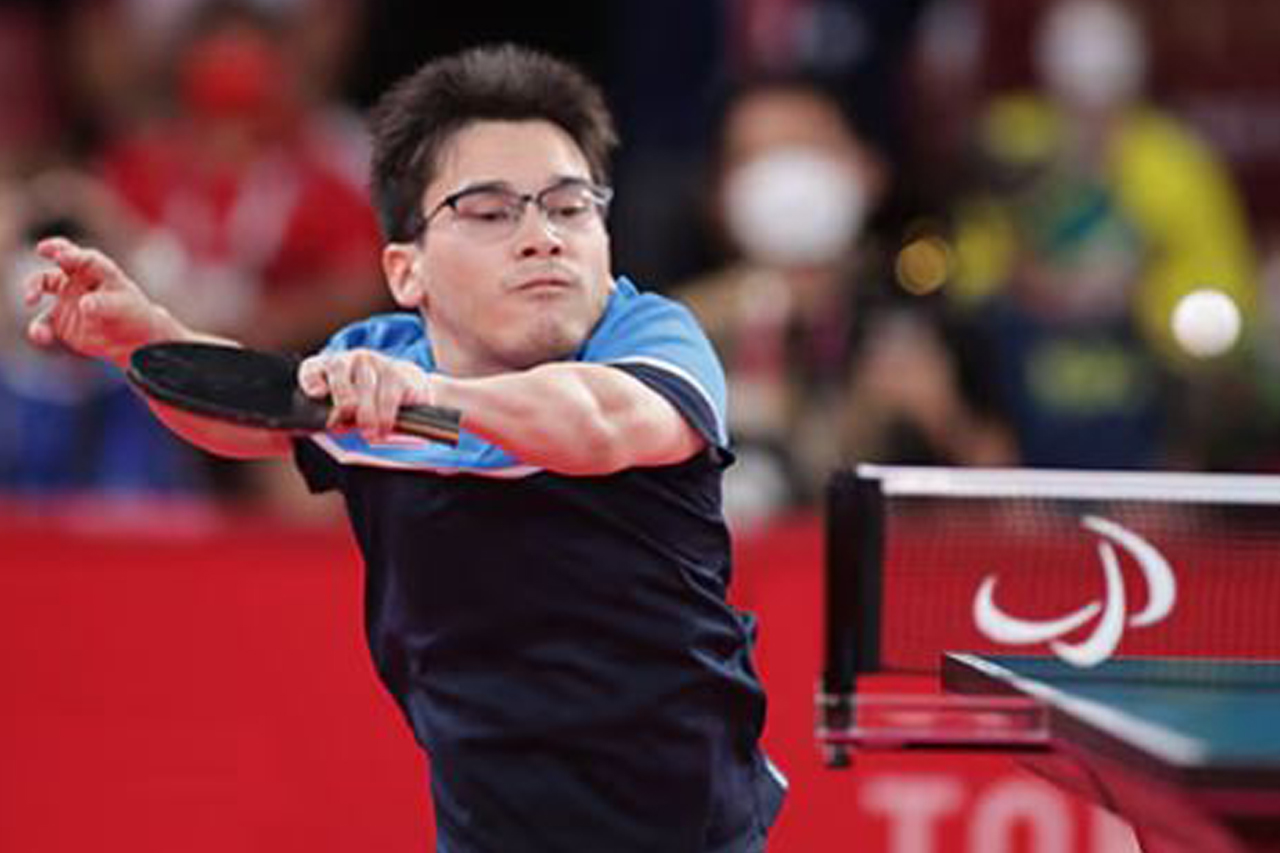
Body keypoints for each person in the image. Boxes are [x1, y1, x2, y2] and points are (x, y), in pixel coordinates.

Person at [22, 44, 786, 852]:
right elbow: (251, 415)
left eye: (569, 206)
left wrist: (426, 401)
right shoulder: (382, 358)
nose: (542, 238)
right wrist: (145, 343)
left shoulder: (653, 339)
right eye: (491, 211)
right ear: (406, 270)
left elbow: (593, 423)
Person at [676, 76, 1012, 524]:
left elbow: (1015, 517)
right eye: (757, 158)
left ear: (869, 170)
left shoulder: (930, 322)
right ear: (719, 196)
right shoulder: (671, 331)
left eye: (806, 150)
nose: (787, 183)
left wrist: (946, 421)